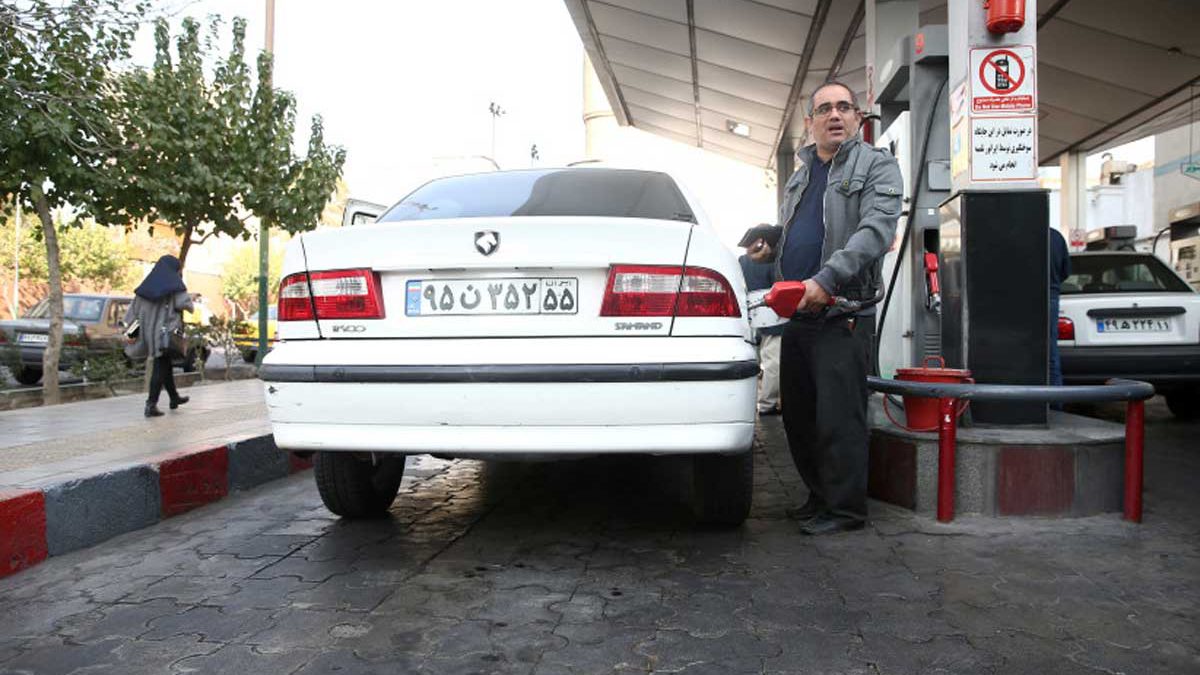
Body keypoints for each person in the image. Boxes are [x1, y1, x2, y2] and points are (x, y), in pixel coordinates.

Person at [749, 81, 903, 535]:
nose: (834, 115)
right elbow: (804, 231)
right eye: (824, 109)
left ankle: (845, 509)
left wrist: (825, 278)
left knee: (839, 418)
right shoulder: (801, 176)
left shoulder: (877, 166)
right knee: (800, 416)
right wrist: (772, 247)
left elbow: (874, 231)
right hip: (798, 311)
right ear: (809, 122)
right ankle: (819, 497)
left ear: (857, 117)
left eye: (843, 107)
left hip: (842, 309)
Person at [125, 255, 193, 418]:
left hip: (148, 335)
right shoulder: (174, 286)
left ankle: (174, 398)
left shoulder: (144, 288)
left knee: (164, 364)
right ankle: (151, 404)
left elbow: (131, 314)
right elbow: (186, 304)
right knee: (160, 365)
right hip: (164, 335)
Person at [739, 225, 784, 415]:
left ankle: (755, 402)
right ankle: (767, 404)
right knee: (773, 363)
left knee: (759, 360)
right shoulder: (774, 262)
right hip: (774, 316)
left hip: (751, 317)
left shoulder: (741, 261)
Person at [1048, 227, 1071, 401]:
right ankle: (1056, 404)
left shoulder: (1020, 232)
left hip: (1024, 297)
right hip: (1051, 297)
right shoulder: (1056, 236)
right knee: (1051, 356)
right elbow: (1065, 271)